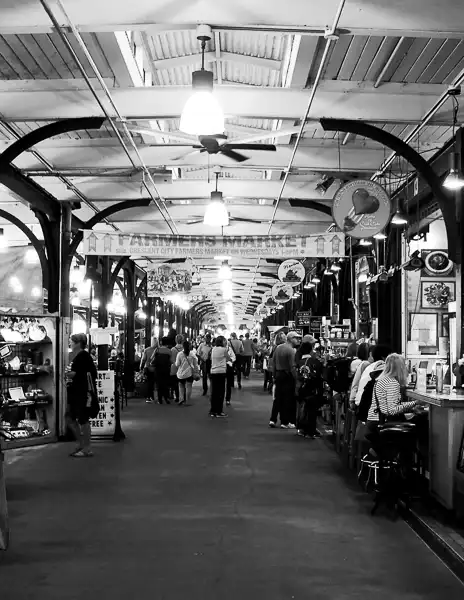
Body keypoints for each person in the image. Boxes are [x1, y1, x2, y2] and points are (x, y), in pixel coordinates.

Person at [66, 333, 97, 458]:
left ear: (78, 343)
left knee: (83, 419)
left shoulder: (82, 356)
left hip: (82, 392)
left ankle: (86, 447)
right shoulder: (80, 356)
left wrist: (67, 373)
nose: (70, 343)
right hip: (77, 392)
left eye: (72, 341)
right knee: (70, 417)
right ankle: (82, 444)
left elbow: (75, 373)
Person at [366, 353, 418, 429]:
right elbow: (392, 410)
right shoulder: (392, 383)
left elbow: (391, 405)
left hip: (373, 420)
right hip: (382, 423)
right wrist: (415, 403)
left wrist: (411, 405)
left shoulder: (381, 379)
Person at [269, 331, 301, 429]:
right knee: (287, 399)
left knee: (278, 398)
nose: (298, 340)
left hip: (278, 374)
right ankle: (285, 421)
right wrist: (297, 379)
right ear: (291, 339)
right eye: (296, 338)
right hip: (287, 375)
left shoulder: (278, 348)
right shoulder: (291, 350)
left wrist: (274, 376)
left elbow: (273, 363)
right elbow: (292, 366)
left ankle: (274, 420)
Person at [295, 341, 323, 438]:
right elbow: (319, 376)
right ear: (311, 350)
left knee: (301, 409)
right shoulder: (316, 362)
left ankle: (301, 429)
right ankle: (310, 431)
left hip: (300, 388)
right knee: (311, 410)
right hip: (312, 389)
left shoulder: (298, 362)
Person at [210, 336, 235, 418]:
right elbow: (229, 359)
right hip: (221, 372)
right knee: (220, 392)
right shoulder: (224, 350)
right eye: (224, 341)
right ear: (222, 342)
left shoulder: (213, 349)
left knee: (214, 392)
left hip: (213, 372)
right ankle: (219, 411)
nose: (225, 342)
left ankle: (213, 411)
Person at [176, 340, 199, 406]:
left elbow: (177, 364)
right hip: (189, 373)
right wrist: (196, 371)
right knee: (189, 387)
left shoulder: (179, 354)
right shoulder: (192, 354)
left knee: (181, 386)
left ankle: (181, 399)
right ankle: (187, 400)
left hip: (181, 374)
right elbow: (195, 364)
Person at [349, 342, 371, 409]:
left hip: (357, 395)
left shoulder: (356, 362)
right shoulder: (364, 364)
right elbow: (357, 380)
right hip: (361, 397)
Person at [140, 337, 159, 404]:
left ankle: (149, 397)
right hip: (156, 369)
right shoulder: (158, 350)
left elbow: (143, 359)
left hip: (148, 368)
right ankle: (157, 397)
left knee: (149, 383)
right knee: (156, 383)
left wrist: (141, 367)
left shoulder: (147, 350)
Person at [154, 337, 172, 404]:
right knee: (166, 384)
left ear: (161, 342)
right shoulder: (169, 351)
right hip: (166, 369)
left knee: (159, 384)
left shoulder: (157, 350)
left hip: (158, 370)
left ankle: (160, 399)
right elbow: (172, 361)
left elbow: (152, 359)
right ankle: (166, 398)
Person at [170, 334, 184, 403]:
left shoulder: (173, 349)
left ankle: (177, 396)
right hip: (183, 368)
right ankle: (183, 396)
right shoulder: (184, 349)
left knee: (175, 383)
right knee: (182, 383)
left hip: (175, 368)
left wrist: (176, 363)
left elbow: (171, 359)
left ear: (175, 340)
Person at [225, 339, 237, 407]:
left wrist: (230, 360)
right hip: (221, 367)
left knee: (228, 385)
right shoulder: (218, 349)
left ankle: (227, 399)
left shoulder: (229, 349)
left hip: (229, 367)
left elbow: (234, 357)